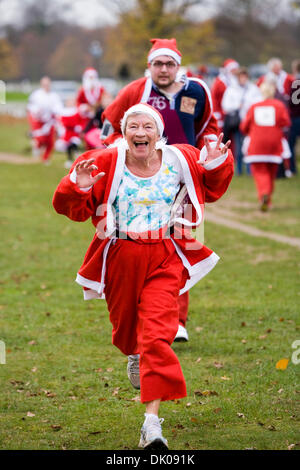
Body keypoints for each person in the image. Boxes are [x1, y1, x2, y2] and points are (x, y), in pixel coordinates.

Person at [53, 103, 234, 450]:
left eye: (147, 127)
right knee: (127, 333)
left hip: (165, 256)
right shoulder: (106, 161)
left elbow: (211, 186)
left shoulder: (180, 158)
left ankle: (151, 425)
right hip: (120, 256)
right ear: (123, 133)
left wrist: (214, 162)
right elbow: (70, 209)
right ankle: (134, 354)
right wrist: (77, 184)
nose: (140, 132)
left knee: (156, 336)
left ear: (158, 132)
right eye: (133, 126)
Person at [101, 38, 219, 342]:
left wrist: (210, 154)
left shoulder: (197, 90)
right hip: (143, 178)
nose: (163, 69)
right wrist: (117, 153)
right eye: (158, 64)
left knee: (186, 243)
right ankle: (142, 311)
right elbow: (110, 123)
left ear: (179, 66)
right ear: (149, 66)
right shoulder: (136, 91)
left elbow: (208, 128)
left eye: (169, 64)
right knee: (145, 242)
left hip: (184, 178)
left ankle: (176, 320)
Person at [240, 82, 292, 211]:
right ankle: (267, 199)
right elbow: (286, 122)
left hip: (257, 144)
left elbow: (244, 126)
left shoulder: (254, 107)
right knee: (271, 173)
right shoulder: (279, 106)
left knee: (260, 172)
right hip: (274, 144)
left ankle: (263, 194)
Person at [221, 67, 262, 174]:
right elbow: (225, 106)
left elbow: (259, 101)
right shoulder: (231, 89)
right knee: (239, 147)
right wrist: (237, 106)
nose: (243, 79)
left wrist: (248, 106)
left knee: (249, 147)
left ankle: (250, 170)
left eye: (245, 77)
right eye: (241, 77)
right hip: (238, 122)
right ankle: (239, 170)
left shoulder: (253, 89)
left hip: (250, 122)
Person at [27, 76, 63, 164]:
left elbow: (59, 108)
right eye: (44, 84)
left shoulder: (54, 96)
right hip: (38, 121)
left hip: (50, 121)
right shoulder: (36, 95)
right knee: (40, 138)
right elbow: (30, 107)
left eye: (47, 84)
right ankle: (37, 146)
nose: (46, 86)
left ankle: (46, 158)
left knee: (50, 141)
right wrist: (36, 113)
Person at [76, 67, 112, 149]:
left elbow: (105, 99)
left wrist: (98, 106)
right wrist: (84, 108)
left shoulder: (100, 89)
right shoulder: (82, 90)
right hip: (87, 117)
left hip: (99, 114)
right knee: (88, 135)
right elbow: (78, 103)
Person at [211, 58, 240, 131]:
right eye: (233, 70)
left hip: (232, 114)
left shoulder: (235, 81)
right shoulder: (220, 82)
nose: (235, 72)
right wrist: (217, 113)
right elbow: (214, 98)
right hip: (221, 113)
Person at [288, 59, 300, 174]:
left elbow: (292, 102)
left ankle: (292, 169)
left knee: (291, 143)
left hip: (296, 117)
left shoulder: (295, 82)